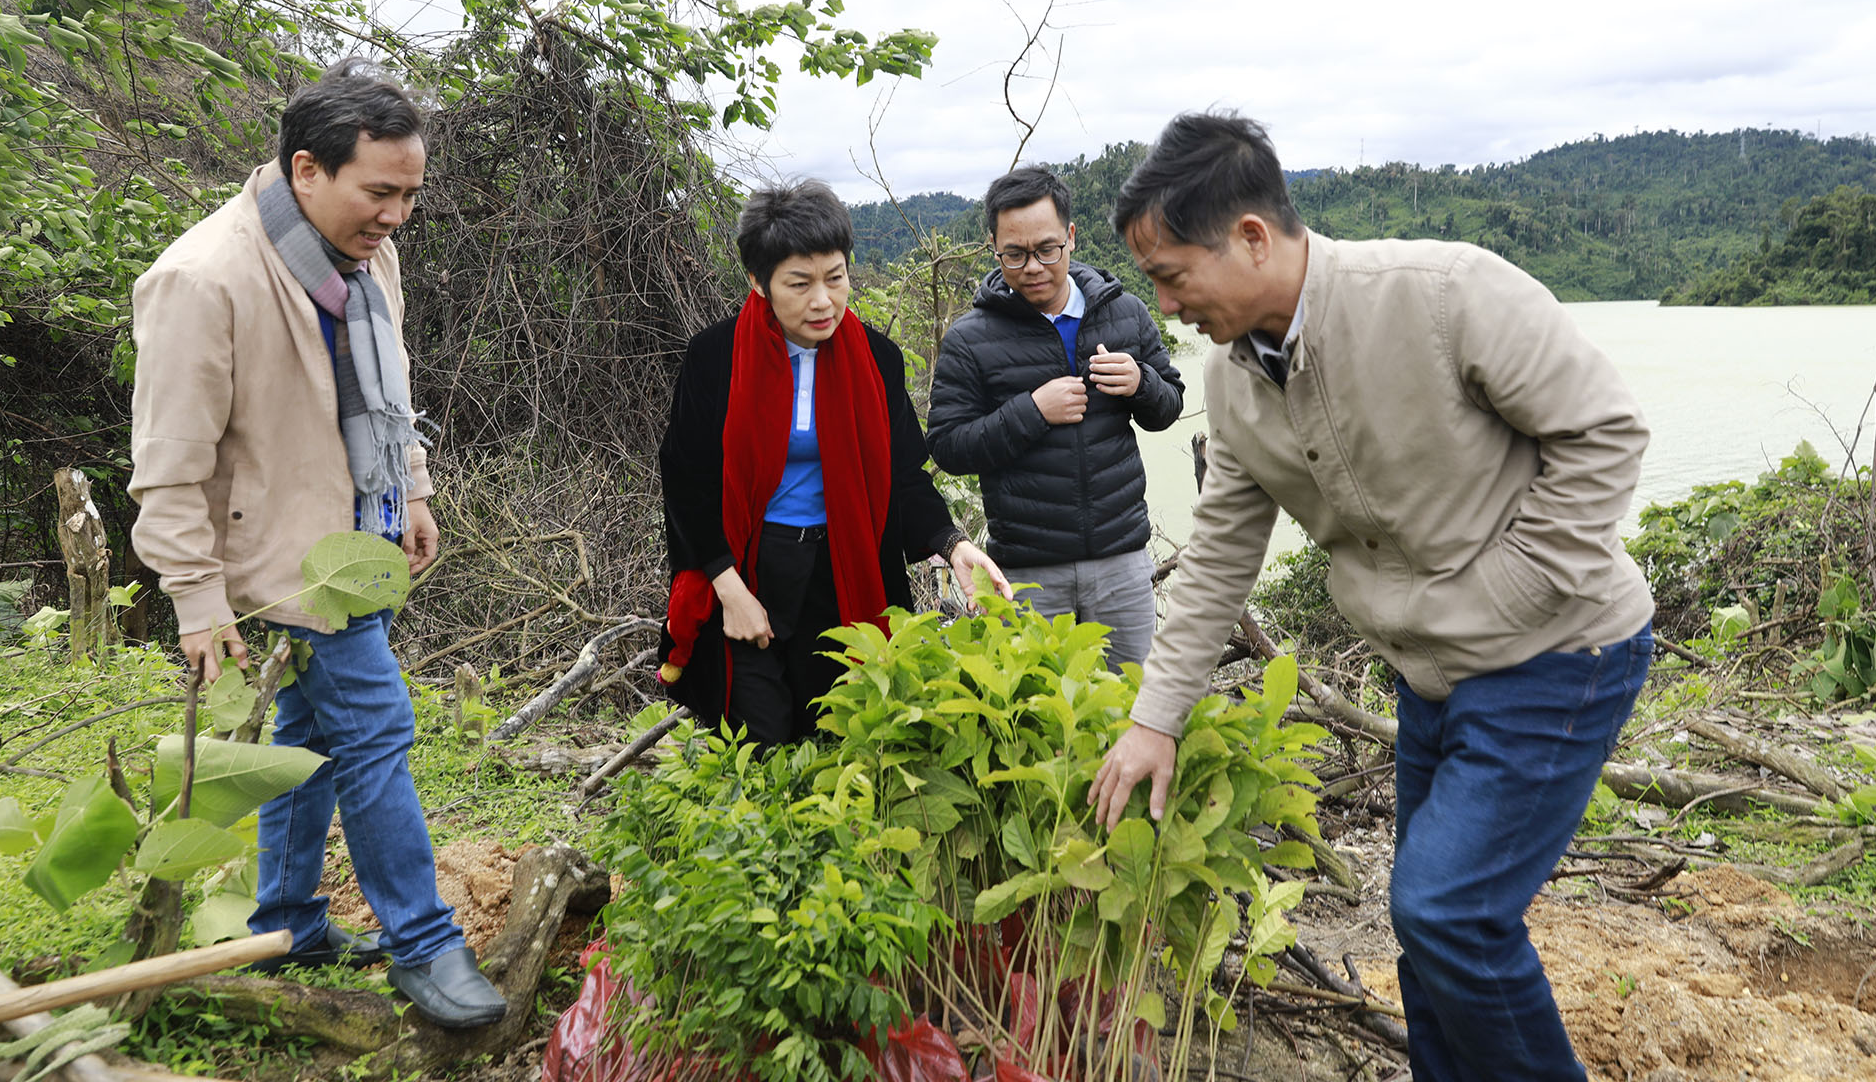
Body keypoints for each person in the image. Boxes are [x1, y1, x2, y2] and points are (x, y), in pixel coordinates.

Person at [1086, 113, 1654, 1081]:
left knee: (1450, 912)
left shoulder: (1444, 291)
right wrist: (1156, 717)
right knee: (1426, 926)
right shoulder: (1232, 378)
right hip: (1429, 675)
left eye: (1174, 273)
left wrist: (1507, 591)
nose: (1165, 303)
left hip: (1558, 651)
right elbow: (1222, 550)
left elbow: (1603, 432)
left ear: (1253, 237)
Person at [128, 60, 506, 1030]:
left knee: (307, 738)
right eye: (380, 191)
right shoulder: (202, 277)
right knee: (376, 729)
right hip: (278, 562)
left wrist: (411, 488)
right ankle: (424, 941)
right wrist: (197, 599)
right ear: (306, 169)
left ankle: (289, 916)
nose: (397, 214)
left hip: (359, 535)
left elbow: (392, 387)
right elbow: (170, 463)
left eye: (411, 194)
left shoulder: (366, 255)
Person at [658, 179, 1011, 742]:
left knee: (840, 728)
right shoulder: (716, 358)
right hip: (750, 565)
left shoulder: (876, 358)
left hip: (844, 566)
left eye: (835, 277)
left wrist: (953, 544)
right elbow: (686, 483)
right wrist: (730, 591)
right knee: (760, 734)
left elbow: (901, 478)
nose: (823, 300)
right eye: (799, 283)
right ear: (759, 283)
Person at [926, 166, 1184, 670]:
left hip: (1122, 560)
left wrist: (1141, 383)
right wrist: (1032, 411)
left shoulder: (1124, 313)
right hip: (1025, 571)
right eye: (1014, 255)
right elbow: (947, 446)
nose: (1032, 267)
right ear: (994, 249)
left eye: (1046, 249)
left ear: (1070, 236)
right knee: (1038, 725)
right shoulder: (970, 338)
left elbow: (1169, 404)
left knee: (1132, 708)